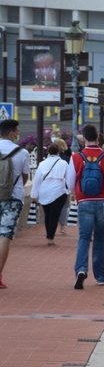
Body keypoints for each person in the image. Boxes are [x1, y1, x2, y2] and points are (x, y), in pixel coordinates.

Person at [66, 124, 104, 289]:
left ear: (84, 138)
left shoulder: (76, 158)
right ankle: (100, 276)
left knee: (84, 238)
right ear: (98, 137)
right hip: (102, 203)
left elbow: (69, 182)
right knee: (100, 238)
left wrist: (74, 193)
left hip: (84, 202)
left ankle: (81, 270)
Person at [0, 120, 31, 289]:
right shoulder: (22, 152)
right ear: (12, 133)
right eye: (17, 131)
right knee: (4, 235)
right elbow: (25, 177)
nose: (18, 134)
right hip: (12, 198)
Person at [30, 144, 69, 246]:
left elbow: (37, 180)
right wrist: (71, 191)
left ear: (48, 152)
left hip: (45, 192)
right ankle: (50, 237)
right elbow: (69, 179)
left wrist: (34, 194)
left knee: (48, 215)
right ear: (58, 152)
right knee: (54, 215)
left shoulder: (42, 164)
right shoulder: (63, 163)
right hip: (59, 192)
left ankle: (49, 235)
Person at [53, 138, 71, 234]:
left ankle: (53, 225)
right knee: (65, 206)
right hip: (64, 186)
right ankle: (62, 226)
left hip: (52, 186)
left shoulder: (49, 159)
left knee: (54, 207)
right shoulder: (67, 159)